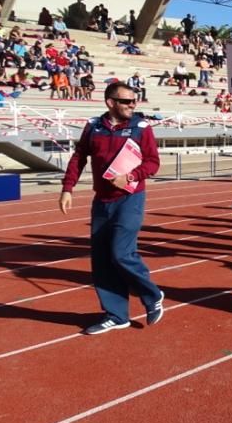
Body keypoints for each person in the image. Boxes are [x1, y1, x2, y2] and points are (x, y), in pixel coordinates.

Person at [59, 82, 164, 335]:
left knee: (121, 253)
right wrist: (67, 187)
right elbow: (79, 157)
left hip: (130, 199)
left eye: (134, 101)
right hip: (101, 201)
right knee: (103, 260)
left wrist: (130, 177)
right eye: (126, 101)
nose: (132, 105)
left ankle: (152, 294)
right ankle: (116, 315)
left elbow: (153, 163)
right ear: (110, 103)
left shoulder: (141, 128)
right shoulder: (93, 127)